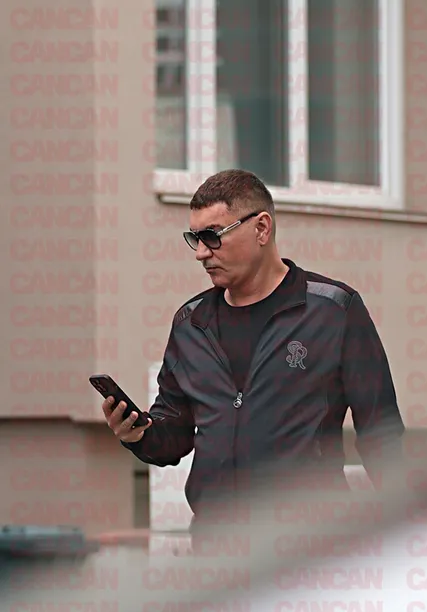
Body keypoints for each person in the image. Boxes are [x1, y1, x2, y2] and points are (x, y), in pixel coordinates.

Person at [102, 169, 405, 529]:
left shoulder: (334, 311)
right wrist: (140, 435)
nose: (201, 253)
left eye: (212, 236)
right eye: (195, 238)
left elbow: (382, 437)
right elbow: (174, 434)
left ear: (262, 228)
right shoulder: (190, 323)